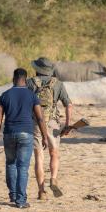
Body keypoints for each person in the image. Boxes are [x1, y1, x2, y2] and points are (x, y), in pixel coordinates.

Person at [0, 68, 48, 208]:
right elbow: (40, 118)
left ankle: (12, 195)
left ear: (14, 78)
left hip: (9, 133)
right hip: (26, 134)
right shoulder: (31, 95)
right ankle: (21, 200)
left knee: (10, 164)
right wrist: (44, 136)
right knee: (23, 167)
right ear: (25, 79)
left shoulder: (5, 95)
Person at [27, 57, 73, 200]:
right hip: (52, 122)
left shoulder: (29, 83)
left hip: (35, 122)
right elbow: (68, 105)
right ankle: (53, 178)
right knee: (54, 153)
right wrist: (67, 124)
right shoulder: (58, 84)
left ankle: (41, 191)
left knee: (39, 157)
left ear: (36, 69)